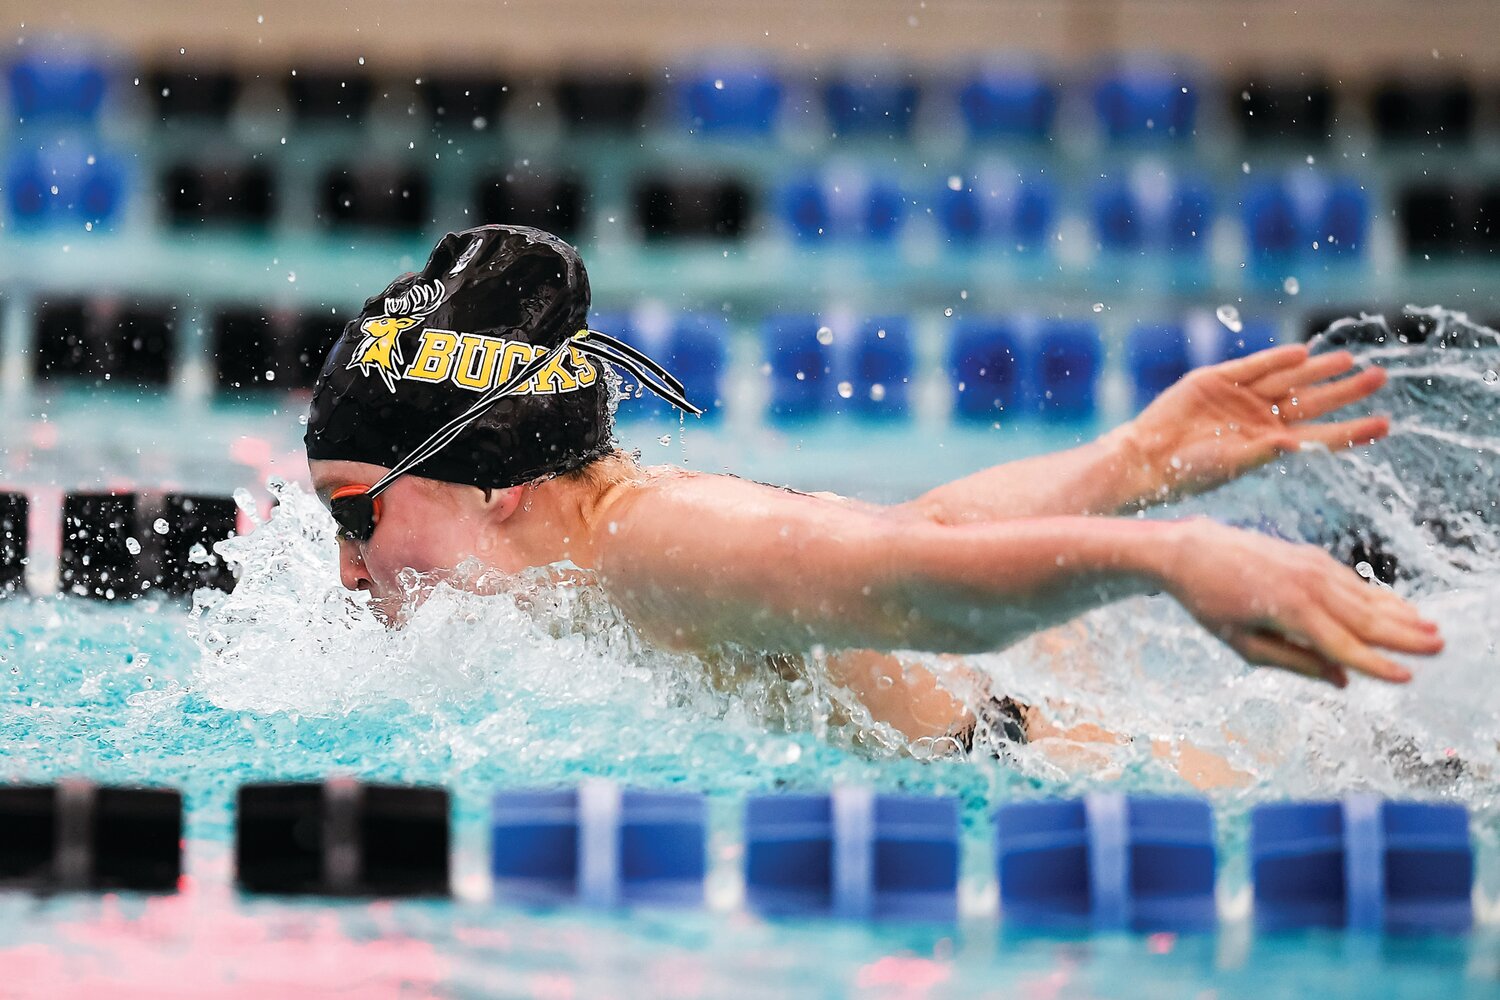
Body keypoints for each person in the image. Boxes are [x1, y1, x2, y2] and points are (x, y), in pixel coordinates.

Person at [305, 224, 1443, 751]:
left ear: (494, 478)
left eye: (358, 515)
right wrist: (1134, 462)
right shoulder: (617, 548)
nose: (348, 571)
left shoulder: (655, 548)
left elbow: (913, 589)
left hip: (1140, 793)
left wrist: (1175, 556)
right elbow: (909, 533)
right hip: (1090, 751)